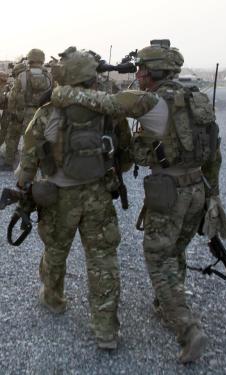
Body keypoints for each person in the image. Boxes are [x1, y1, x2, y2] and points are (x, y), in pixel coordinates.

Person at [50, 39, 226, 363]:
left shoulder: (152, 102)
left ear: (153, 73)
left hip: (170, 191)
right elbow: (215, 151)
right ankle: (164, 306)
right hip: (197, 188)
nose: (139, 75)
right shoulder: (197, 98)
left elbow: (106, 102)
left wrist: (61, 93)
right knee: (175, 251)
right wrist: (213, 195)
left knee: (157, 260)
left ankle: (188, 329)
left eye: (142, 70)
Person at [17, 47, 157, 350]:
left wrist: (24, 185)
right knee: (103, 259)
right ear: (90, 77)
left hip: (57, 195)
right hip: (97, 194)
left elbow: (29, 155)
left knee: (55, 250)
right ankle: (105, 330)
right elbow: (125, 152)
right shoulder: (108, 109)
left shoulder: (48, 110)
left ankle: (53, 299)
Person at [8, 49, 52, 135]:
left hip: (26, 113)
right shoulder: (48, 76)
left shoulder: (22, 75)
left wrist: (12, 112)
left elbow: (12, 96)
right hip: (44, 113)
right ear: (42, 59)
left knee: (27, 139)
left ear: (29, 59)